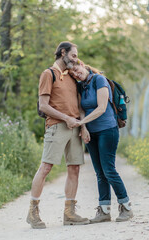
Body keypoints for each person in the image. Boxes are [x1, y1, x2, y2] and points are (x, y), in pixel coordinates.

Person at [26, 42, 90, 229]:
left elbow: (79, 106)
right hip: (56, 126)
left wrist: (83, 126)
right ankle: (33, 212)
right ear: (63, 53)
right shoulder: (49, 74)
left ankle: (69, 213)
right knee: (46, 167)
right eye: (73, 55)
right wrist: (66, 118)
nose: (75, 59)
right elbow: (43, 106)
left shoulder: (72, 77)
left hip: (75, 128)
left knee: (74, 168)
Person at [69, 60, 134, 223]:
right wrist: (83, 128)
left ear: (82, 65)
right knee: (99, 173)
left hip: (107, 130)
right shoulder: (80, 86)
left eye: (76, 69)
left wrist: (79, 123)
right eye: (73, 74)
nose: (76, 74)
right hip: (91, 133)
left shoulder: (99, 79)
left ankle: (126, 207)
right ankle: (104, 211)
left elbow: (102, 107)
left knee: (109, 170)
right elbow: (81, 109)